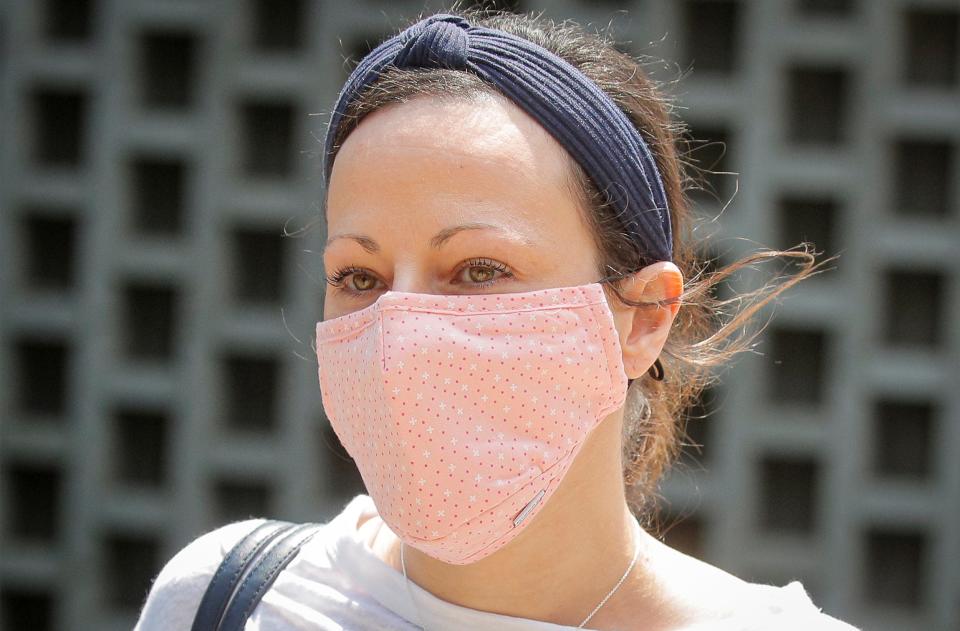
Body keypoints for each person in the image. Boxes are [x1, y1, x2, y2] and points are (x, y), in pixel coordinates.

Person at [134, 6, 859, 631]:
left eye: (479, 270)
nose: (399, 336)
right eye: (360, 276)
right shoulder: (225, 597)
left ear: (642, 317)